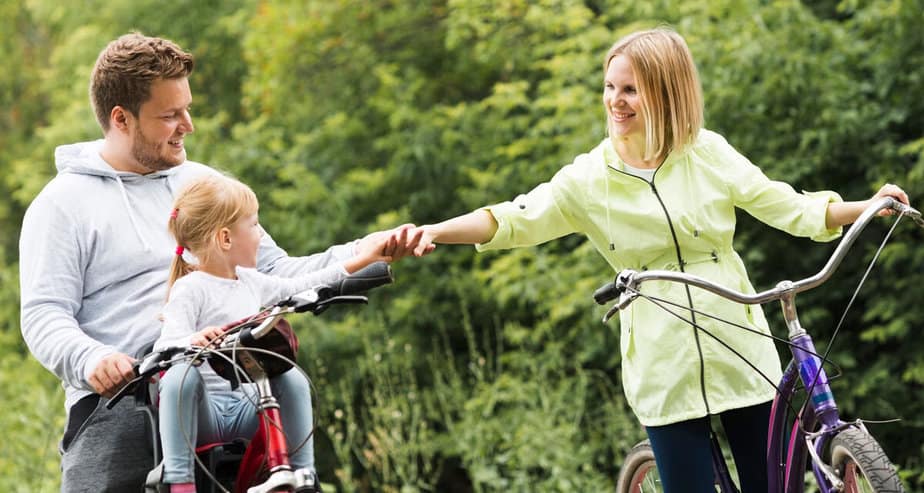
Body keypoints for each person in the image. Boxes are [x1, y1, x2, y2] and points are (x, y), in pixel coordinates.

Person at [410, 27, 909, 493]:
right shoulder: (589, 177)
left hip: (739, 341)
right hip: (660, 357)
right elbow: (513, 218)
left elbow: (791, 207)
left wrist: (866, 206)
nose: (614, 101)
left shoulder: (706, 152)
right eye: (610, 86)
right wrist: (435, 230)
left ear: (666, 93)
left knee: (772, 483)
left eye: (630, 89)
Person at [18, 32, 424, 492]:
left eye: (186, 108)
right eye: (170, 115)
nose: (187, 125)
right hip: (120, 404)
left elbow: (272, 273)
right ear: (121, 119)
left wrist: (363, 252)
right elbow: (43, 314)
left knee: (288, 411)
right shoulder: (62, 205)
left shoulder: (204, 186)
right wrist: (91, 357)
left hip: (226, 391)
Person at [153, 174, 391, 492]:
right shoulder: (191, 288)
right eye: (254, 226)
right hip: (203, 414)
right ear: (225, 239)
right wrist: (192, 341)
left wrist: (363, 259)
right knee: (181, 375)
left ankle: (302, 473)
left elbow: (303, 285)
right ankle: (180, 481)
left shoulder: (252, 282)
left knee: (289, 376)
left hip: (244, 408)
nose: (261, 235)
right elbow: (166, 344)